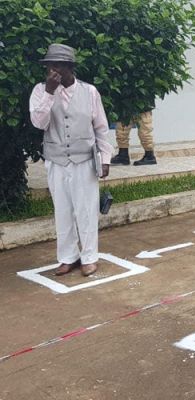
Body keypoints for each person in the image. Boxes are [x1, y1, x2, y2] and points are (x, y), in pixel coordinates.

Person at [29, 44, 112, 277]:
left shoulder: (90, 92)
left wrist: (105, 158)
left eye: (57, 65)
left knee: (86, 210)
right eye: (49, 66)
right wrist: (49, 92)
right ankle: (68, 256)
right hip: (56, 160)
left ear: (69, 67)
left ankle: (89, 256)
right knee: (62, 211)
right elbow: (38, 122)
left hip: (84, 160)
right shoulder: (40, 91)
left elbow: (101, 128)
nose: (52, 70)